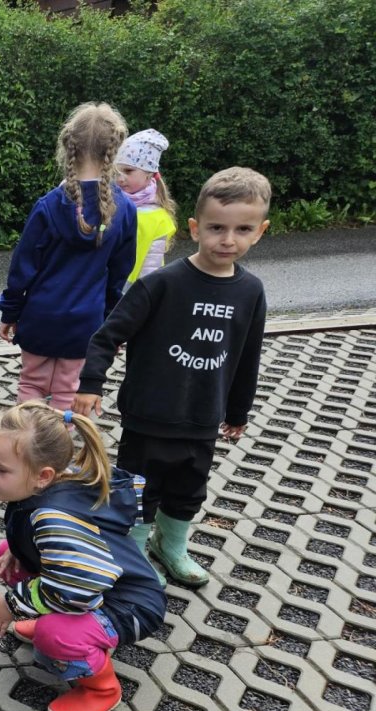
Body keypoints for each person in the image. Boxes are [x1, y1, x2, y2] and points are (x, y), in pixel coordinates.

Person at [74, 167, 271, 587]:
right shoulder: (162, 284)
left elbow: (247, 355)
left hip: (202, 417)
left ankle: (171, 545)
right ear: (195, 228)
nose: (228, 239)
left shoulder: (250, 292)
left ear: (260, 231)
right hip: (149, 415)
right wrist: (91, 385)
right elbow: (107, 335)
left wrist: (238, 411)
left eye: (243, 229)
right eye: (217, 228)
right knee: (139, 489)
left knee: (188, 489)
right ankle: (132, 553)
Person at [0, 401, 166, 711]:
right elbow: (56, 561)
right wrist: (18, 550)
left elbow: (75, 588)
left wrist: (12, 603)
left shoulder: (55, 519)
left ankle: (101, 689)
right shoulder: (45, 491)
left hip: (129, 606)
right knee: (7, 552)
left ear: (43, 476)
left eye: (2, 469)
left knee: (54, 635)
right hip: (92, 585)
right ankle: (64, 624)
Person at [0, 102, 137, 411]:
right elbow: (119, 275)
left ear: (68, 145)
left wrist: (10, 312)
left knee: (31, 383)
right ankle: (59, 441)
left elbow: (22, 268)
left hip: (39, 318)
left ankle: (27, 438)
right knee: (68, 390)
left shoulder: (48, 206)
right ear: (114, 150)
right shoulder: (125, 210)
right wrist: (111, 325)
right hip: (85, 323)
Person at [116, 129, 178, 283]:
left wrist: (144, 293)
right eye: (115, 172)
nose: (120, 178)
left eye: (128, 171)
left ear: (149, 174)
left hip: (132, 289)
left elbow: (152, 267)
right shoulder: (109, 204)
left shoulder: (158, 218)